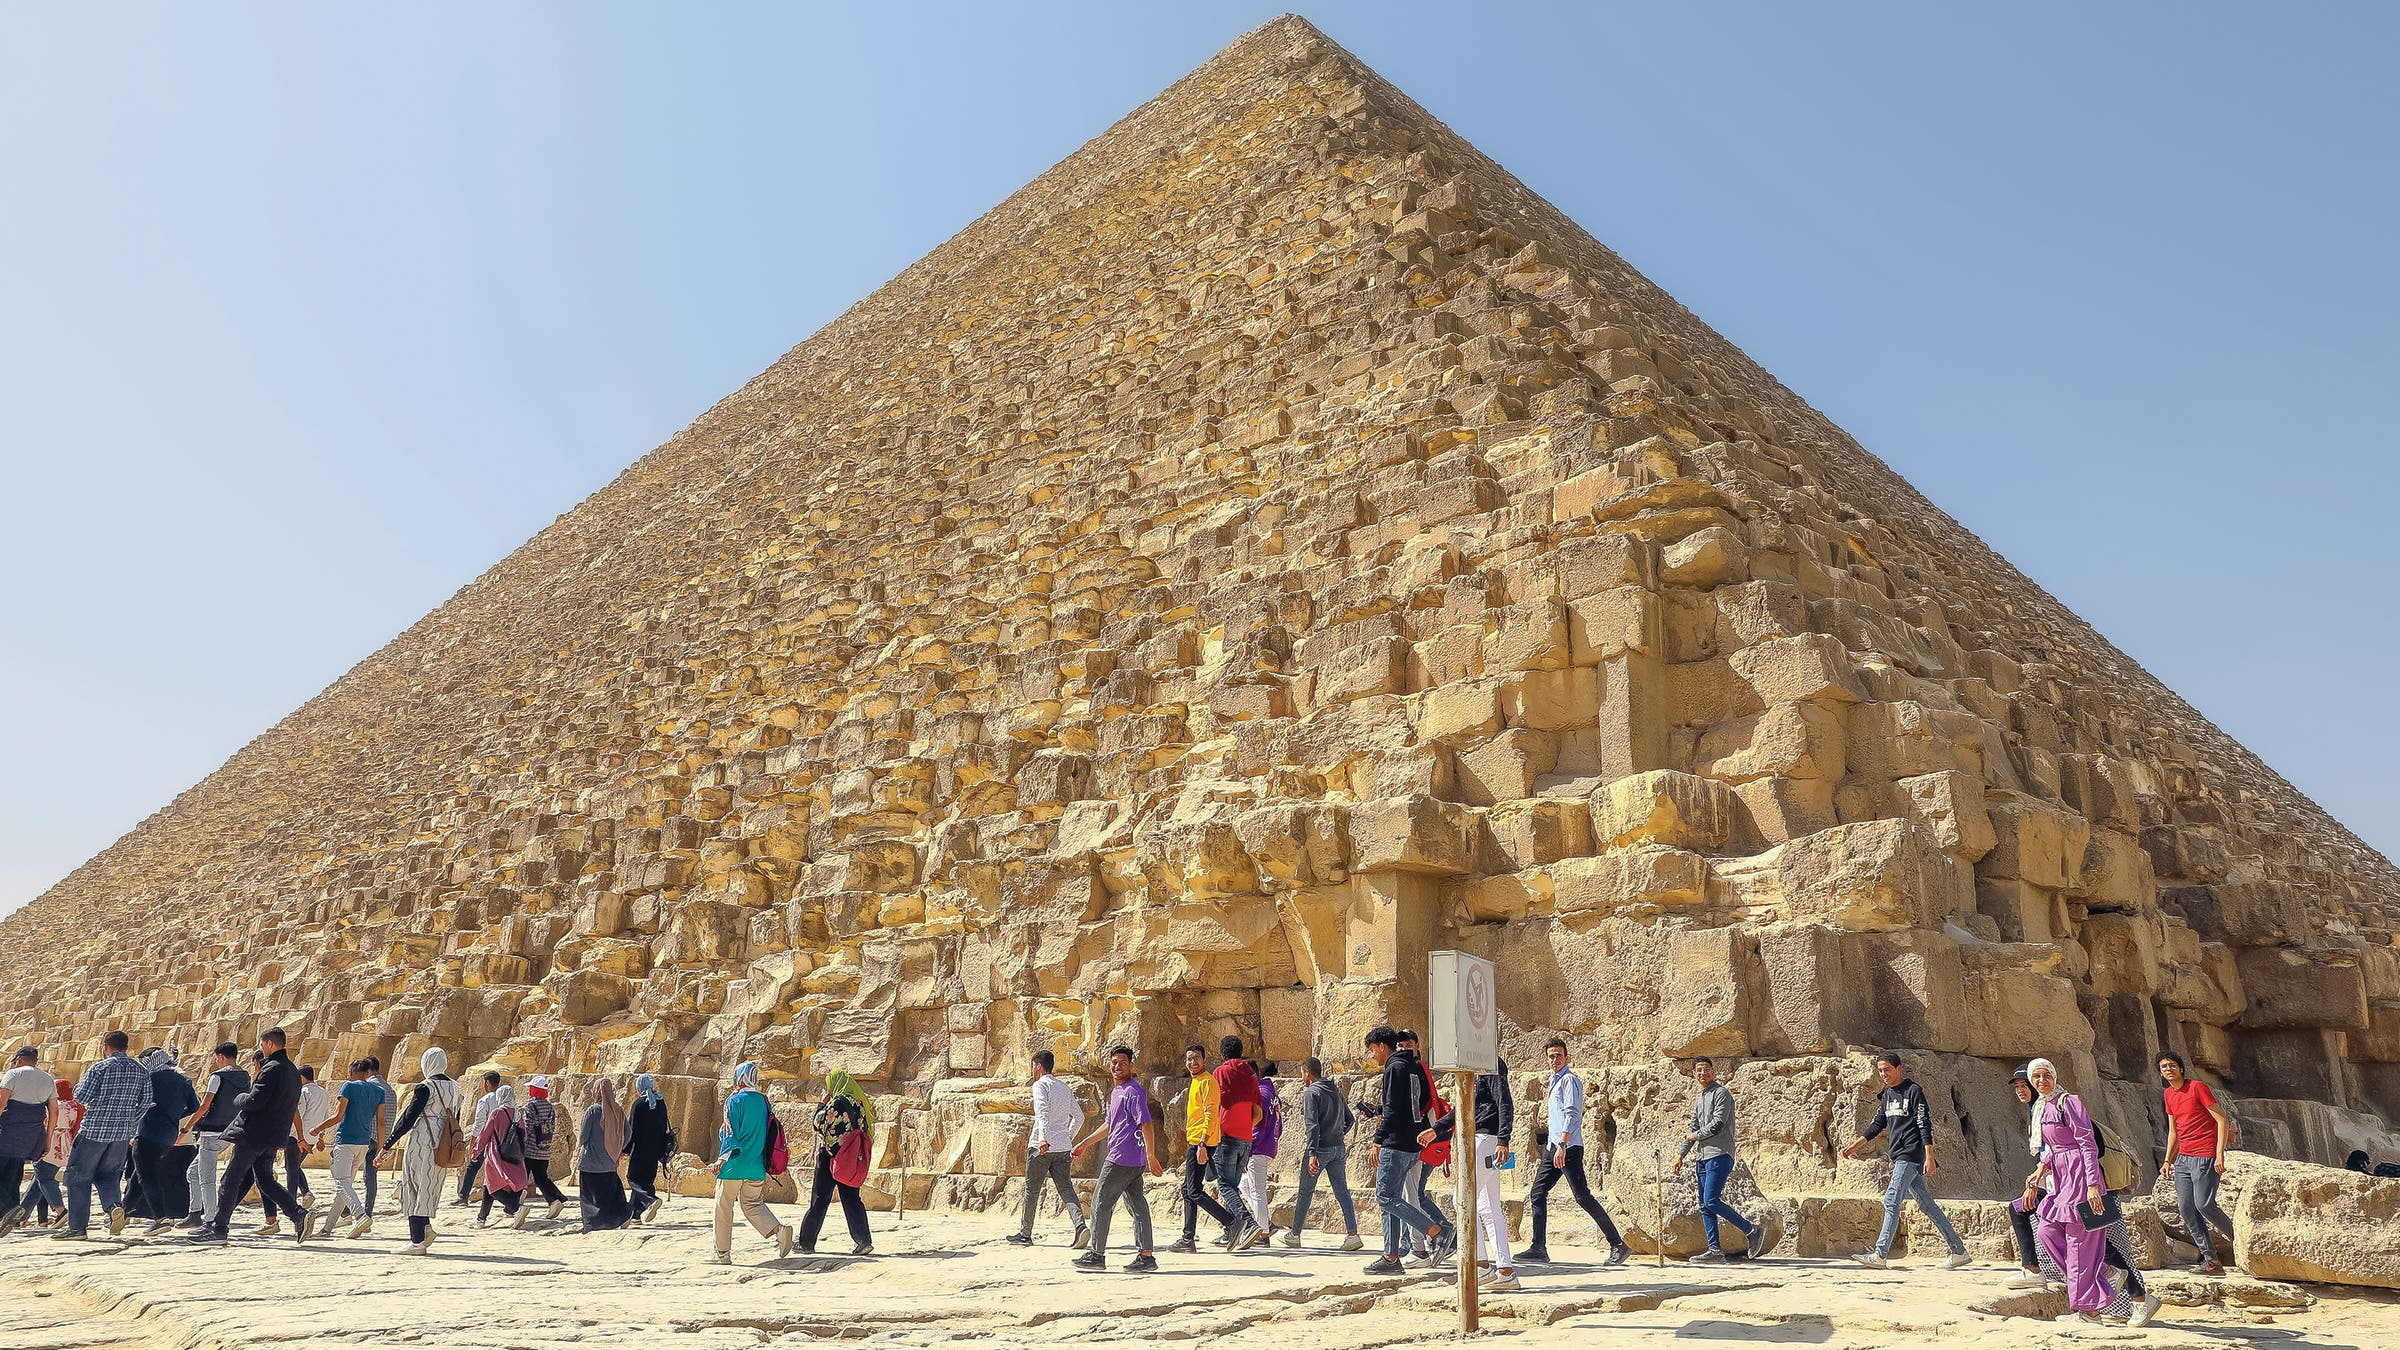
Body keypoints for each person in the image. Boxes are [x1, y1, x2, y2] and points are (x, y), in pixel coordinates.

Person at [2001, 1067, 2153, 1323]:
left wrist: (2093, 1184)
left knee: (2089, 1246)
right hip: (2059, 1185)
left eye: (2041, 1077)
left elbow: (2087, 1144)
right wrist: (2039, 1171)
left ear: (2054, 1077)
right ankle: (2104, 1276)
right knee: (2050, 1232)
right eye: (2031, 1079)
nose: (2031, 1085)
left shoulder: (2066, 1102)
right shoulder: (2041, 1109)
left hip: (2083, 1183)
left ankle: (2101, 1307)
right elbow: (2053, 1150)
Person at [1841, 1052, 1968, 1269]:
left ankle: (1880, 1254)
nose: (1883, 1074)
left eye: (1887, 1070)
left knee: (1891, 1200)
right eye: (1880, 1070)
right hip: (1898, 1154)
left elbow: (1923, 1124)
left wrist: (1930, 1157)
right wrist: (1856, 1146)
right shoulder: (1887, 1096)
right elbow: (1877, 1124)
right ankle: (1959, 1251)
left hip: (1911, 1155)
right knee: (1926, 1204)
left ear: (1899, 1069)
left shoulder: (1914, 1091)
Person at [191, 1027, 311, 1244]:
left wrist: (238, 1098)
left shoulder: (271, 1068)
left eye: (263, 1045)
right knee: (264, 1180)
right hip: (273, 1136)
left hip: (253, 1133)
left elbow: (255, 1101)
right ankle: (297, 1214)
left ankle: (218, 1229)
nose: (261, 1049)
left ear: (271, 1044)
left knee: (230, 1180)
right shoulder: (293, 1071)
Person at [1520, 1037, 1627, 1266]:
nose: (1554, 1059)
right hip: (1553, 1147)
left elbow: (1572, 1114)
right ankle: (1538, 1247)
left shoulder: (1569, 1081)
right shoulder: (1554, 1081)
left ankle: (1617, 1244)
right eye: (1551, 1056)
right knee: (1537, 1193)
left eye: (1558, 1055)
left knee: (1582, 1197)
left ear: (1567, 1058)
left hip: (1566, 1147)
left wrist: (1562, 1145)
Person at [1361, 1025, 1453, 1275]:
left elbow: (1391, 1110)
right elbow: (1423, 1102)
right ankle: (1391, 1257)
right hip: (1413, 1143)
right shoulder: (1413, 1067)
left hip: (1396, 1144)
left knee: (1385, 1197)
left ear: (1382, 1046)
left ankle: (1438, 1232)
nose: (1373, 1057)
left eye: (1372, 1050)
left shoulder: (1394, 1067)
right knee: (1393, 1199)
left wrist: (1377, 1141)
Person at [1069, 1044, 1163, 1273]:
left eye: (1122, 1062)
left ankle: (1097, 1254)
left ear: (1131, 1065)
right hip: (1132, 1160)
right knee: (1137, 1205)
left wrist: (1151, 1154)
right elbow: (1110, 1125)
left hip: (1121, 1158)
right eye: (1114, 1063)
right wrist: (1085, 1143)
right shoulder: (1117, 1092)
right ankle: (1146, 1256)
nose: (1117, 1066)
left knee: (1100, 1203)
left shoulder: (1133, 1092)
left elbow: (1146, 1123)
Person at [56, 1030, 150, 1240]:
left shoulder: (100, 1068)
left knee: (78, 1177)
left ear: (106, 1046)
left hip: (94, 1131)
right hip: (121, 1134)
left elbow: (81, 1096)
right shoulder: (140, 1070)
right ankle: (114, 1206)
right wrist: (130, 1121)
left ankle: (77, 1228)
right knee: (108, 1175)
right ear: (126, 1046)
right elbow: (146, 1101)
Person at [1674, 1056, 1761, 1262]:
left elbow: (1717, 1124)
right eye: (1698, 1070)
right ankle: (1714, 1251)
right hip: (1702, 1157)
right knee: (1705, 1205)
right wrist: (1681, 1155)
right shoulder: (1700, 1098)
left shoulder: (1722, 1093)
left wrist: (1694, 1136)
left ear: (1713, 1071)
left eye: (1706, 1069)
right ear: (1694, 1074)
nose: (1702, 1073)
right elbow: (1693, 1126)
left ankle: (1752, 1230)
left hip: (1720, 1154)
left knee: (1711, 1201)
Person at [380, 1046, 463, 1254]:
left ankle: (417, 1241)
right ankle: (425, 1228)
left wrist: (388, 1144)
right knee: (429, 1186)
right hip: (444, 1142)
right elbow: (456, 1116)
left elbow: (408, 1118)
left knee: (414, 1186)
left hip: (423, 1141)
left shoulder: (425, 1087)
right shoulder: (456, 1087)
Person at [2158, 1053, 2236, 1275]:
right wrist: (2167, 1160)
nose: (2169, 1069)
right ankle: (2211, 1261)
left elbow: (2221, 1120)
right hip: (2183, 1159)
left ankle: (2241, 1241)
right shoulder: (2168, 1094)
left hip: (2205, 1155)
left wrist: (2219, 1154)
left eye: (2172, 1065)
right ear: (2161, 1073)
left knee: (2204, 1204)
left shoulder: (2197, 1087)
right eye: (2164, 1067)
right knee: (2186, 1208)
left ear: (2181, 1069)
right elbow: (2174, 1131)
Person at [710, 1061, 794, 1264]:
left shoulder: (734, 1101)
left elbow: (730, 1134)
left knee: (723, 1206)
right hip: (757, 1165)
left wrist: (721, 1159)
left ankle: (722, 1253)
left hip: (734, 1165)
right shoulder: (764, 1101)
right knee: (752, 1204)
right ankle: (778, 1230)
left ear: (739, 1077)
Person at [1008, 1049, 1087, 1247]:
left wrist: (1043, 1138)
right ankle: (1080, 1227)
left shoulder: (1039, 1086)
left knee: (1031, 1190)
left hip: (1041, 1146)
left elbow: (1041, 1113)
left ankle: (1025, 1234)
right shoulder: (1063, 1087)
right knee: (1066, 1188)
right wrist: (1067, 1137)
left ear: (1038, 1066)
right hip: (1062, 1148)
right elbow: (1079, 1117)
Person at [1282, 1056, 1360, 1250]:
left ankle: (1295, 1234)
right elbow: (1350, 1120)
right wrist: (1338, 1134)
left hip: (1319, 1149)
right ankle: (1353, 1234)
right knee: (1342, 1191)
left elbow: (1312, 1126)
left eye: (1302, 1073)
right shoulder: (1335, 1090)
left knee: (1306, 1191)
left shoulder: (1311, 1093)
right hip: (1338, 1148)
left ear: (1307, 1073)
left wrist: (1312, 1153)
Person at [1166, 1044, 1234, 1254]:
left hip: (1201, 1142)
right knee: (1188, 1189)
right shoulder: (1196, 1082)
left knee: (1194, 1190)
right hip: (1195, 1140)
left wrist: (1202, 1143)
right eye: (1189, 1059)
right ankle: (1188, 1238)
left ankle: (1232, 1222)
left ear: (1204, 1060)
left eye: (1196, 1058)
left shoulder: (1208, 1082)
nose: (1192, 1062)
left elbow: (1210, 1114)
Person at [799, 1070, 874, 1256]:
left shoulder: (836, 1102)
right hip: (849, 1158)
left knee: (819, 1199)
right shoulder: (859, 1103)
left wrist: (821, 1104)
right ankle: (863, 1240)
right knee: (851, 1199)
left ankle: (806, 1243)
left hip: (830, 1157)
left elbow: (818, 1123)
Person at [1467, 1051, 1521, 1290]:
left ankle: (1481, 1265)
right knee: (1488, 1205)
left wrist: (1503, 1140)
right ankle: (1504, 1269)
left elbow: (1504, 1101)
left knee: (1463, 1199)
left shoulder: (1489, 1062)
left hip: (1486, 1139)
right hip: (1481, 1138)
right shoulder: (1472, 1064)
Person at [178, 1043, 247, 1231]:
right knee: (192, 1172)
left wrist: (186, 1129)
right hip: (230, 1131)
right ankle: (194, 1213)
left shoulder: (217, 1077)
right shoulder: (244, 1076)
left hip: (212, 1132)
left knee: (206, 1178)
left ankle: (209, 1220)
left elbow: (204, 1106)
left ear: (221, 1057)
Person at [131, 1048, 197, 1233]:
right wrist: (174, 1115)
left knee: (145, 1176)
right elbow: (195, 1106)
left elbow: (138, 1104)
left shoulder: (149, 1079)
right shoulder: (183, 1080)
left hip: (148, 1132)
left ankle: (160, 1219)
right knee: (144, 1174)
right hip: (170, 1135)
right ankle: (124, 1210)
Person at [1209, 1036, 1265, 1250]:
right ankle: (1230, 1231)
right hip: (1246, 1137)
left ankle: (1248, 1224)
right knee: (1232, 1186)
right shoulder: (1250, 1074)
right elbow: (1258, 1111)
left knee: (1224, 1185)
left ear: (1222, 1053)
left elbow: (1214, 1106)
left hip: (1226, 1135)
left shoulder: (1220, 1072)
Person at [321, 1058, 386, 1237]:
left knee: (342, 1183)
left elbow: (338, 1115)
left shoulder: (348, 1087)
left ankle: (359, 1214)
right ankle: (327, 1227)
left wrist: (318, 1128)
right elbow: (381, 1123)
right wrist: (381, 1149)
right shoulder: (379, 1091)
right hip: (363, 1144)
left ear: (352, 1072)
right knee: (345, 1186)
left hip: (346, 1141)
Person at [0, 1046, 56, 1238]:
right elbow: (53, 1112)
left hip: (7, 1134)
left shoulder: (13, 1074)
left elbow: (1, 1103)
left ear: (19, 1059)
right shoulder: (47, 1079)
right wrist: (47, 1140)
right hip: (30, 1137)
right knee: (13, 1176)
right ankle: (10, 1217)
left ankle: (9, 1208)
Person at [580, 1078, 636, 1232]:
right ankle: (620, 1217)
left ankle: (594, 1224)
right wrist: (618, 1147)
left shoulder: (593, 1110)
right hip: (610, 1162)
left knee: (590, 1197)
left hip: (591, 1162)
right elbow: (628, 1132)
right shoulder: (617, 1109)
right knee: (610, 1194)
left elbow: (584, 1135)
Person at [471, 1083, 529, 1226]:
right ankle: (481, 1218)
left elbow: (485, 1134)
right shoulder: (518, 1114)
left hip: (496, 1156)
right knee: (489, 1184)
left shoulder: (496, 1113)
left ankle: (515, 1208)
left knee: (493, 1186)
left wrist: (476, 1151)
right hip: (514, 1156)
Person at [519, 1076, 568, 1219]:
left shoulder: (531, 1106)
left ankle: (513, 1206)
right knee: (541, 1178)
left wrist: (521, 1146)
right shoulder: (549, 1107)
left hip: (530, 1150)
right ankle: (555, 1200)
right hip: (544, 1148)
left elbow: (527, 1128)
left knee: (521, 1178)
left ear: (534, 1089)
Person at [33, 1077, 80, 1228]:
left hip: (50, 1141)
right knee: (39, 1180)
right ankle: (33, 1217)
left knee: (45, 1178)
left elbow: (45, 1123)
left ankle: (60, 1210)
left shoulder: (54, 1105)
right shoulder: (74, 1105)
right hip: (66, 1143)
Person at [626, 1074, 673, 1222]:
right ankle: (634, 1215)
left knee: (633, 1178)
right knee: (645, 1180)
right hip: (656, 1150)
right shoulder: (660, 1102)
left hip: (640, 1149)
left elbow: (631, 1130)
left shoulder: (639, 1104)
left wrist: (625, 1150)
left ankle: (650, 1200)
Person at [1244, 1061, 1282, 1244]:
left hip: (1257, 1146)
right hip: (1267, 1144)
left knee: (1257, 1190)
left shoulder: (1259, 1094)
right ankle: (1265, 1222)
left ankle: (1263, 1233)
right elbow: (1278, 1122)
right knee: (1244, 1184)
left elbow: (1256, 1123)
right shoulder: (1271, 1093)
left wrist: (1248, 1144)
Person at [456, 1070, 504, 1206]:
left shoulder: (485, 1100)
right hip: (502, 1138)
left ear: (487, 1083)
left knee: (473, 1166)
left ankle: (463, 1197)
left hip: (486, 1139)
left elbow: (479, 1124)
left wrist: (473, 1143)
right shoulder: (503, 1098)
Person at [292, 1064, 331, 1206]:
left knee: (292, 1166)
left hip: (300, 1135)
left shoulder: (303, 1092)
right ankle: (304, 1193)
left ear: (301, 1078)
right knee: (295, 1165)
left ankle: (305, 1193)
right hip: (313, 1136)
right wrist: (321, 1137)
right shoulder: (323, 1092)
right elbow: (325, 1116)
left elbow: (298, 1114)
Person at [362, 1057, 392, 1219]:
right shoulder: (390, 1089)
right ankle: (368, 1212)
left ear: (367, 1071)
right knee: (371, 1177)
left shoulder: (369, 1087)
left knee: (346, 1175)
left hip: (366, 1135)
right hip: (382, 1139)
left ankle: (345, 1211)